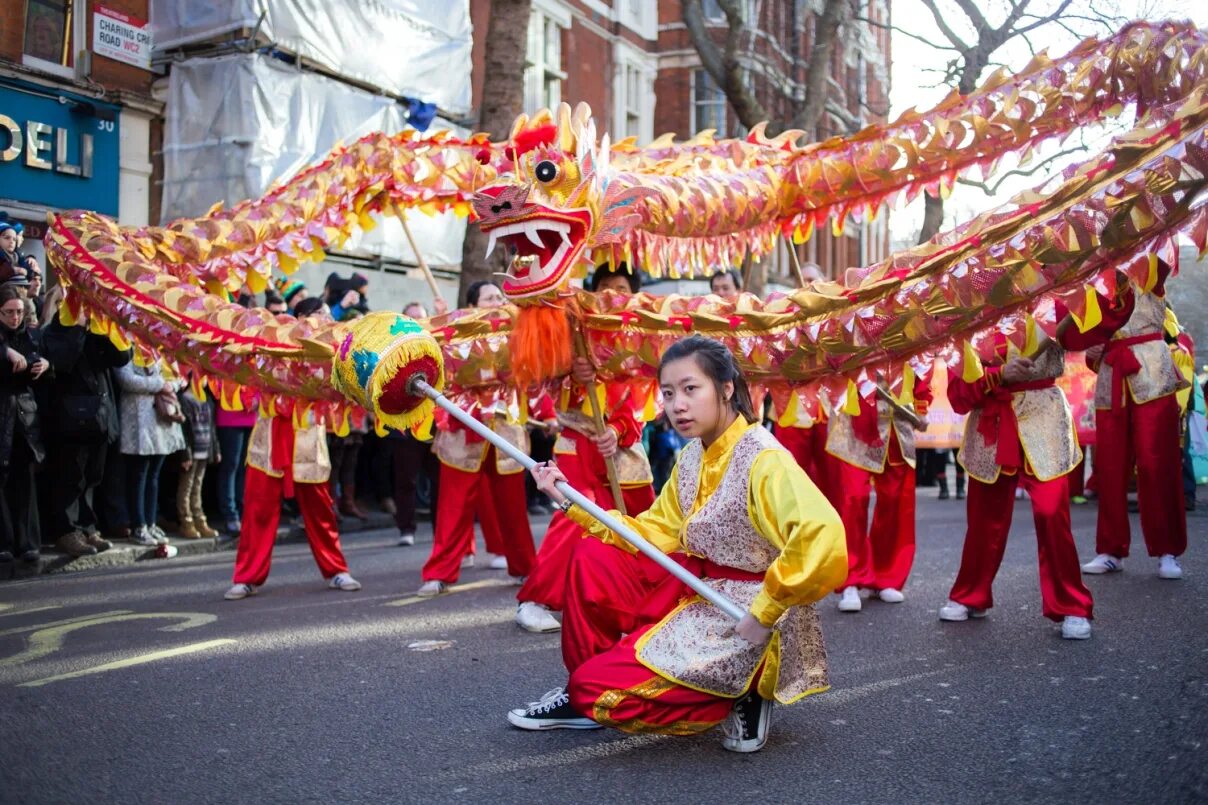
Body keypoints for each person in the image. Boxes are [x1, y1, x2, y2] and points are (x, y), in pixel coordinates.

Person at [507, 336, 846, 753]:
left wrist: (766, 610)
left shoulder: (764, 458)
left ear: (725, 388)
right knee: (594, 554)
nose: (677, 405)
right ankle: (588, 693)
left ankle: (743, 690)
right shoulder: (691, 457)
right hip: (696, 592)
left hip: (748, 611)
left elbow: (822, 536)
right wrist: (567, 499)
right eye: (668, 394)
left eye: (690, 389)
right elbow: (649, 532)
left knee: (595, 691)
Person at [514, 263, 657, 633]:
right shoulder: (571, 326)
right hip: (577, 441)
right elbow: (541, 379)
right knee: (575, 511)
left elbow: (642, 396)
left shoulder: (641, 331)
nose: (612, 294)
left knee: (642, 519)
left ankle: (644, 596)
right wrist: (570, 374)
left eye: (621, 287)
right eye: (605, 287)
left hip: (621, 445)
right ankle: (537, 598)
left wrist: (619, 429)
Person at [939, 335, 1095, 640]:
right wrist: (998, 375)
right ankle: (971, 594)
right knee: (984, 519)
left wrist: (1108, 295)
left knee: (1052, 513)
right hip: (992, 424)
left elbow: (1086, 332)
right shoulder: (974, 320)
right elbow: (959, 396)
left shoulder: (1053, 305)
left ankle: (1072, 604)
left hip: (1044, 420)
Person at [417, 280, 547, 595]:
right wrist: (444, 322)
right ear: (473, 306)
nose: (497, 301)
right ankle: (440, 573)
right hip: (465, 424)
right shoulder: (454, 334)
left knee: (513, 506)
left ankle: (524, 568)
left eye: (500, 296)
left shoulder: (518, 331)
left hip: (504, 424)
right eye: (489, 298)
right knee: (453, 505)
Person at [1073, 260, 1188, 579]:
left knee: (1156, 464)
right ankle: (1111, 549)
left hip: (1151, 371)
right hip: (1112, 376)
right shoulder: (1096, 281)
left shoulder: (1150, 265)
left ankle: (1168, 551)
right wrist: (1091, 350)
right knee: (1110, 466)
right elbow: (1089, 331)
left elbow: (1162, 241)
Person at [224, 403, 361, 599]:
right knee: (258, 509)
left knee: (320, 509)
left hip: (308, 433)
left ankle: (336, 569)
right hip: (269, 435)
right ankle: (247, 577)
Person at [825, 368, 931, 612]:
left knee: (894, 501)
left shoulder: (909, 331)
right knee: (854, 498)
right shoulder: (846, 329)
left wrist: (920, 408)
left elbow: (921, 371)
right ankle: (850, 577)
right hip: (855, 424)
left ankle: (885, 576)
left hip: (896, 426)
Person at [41, 285, 131, 557]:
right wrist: (77, 329)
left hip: (99, 417)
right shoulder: (56, 331)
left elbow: (121, 358)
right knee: (71, 476)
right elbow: (63, 361)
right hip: (70, 419)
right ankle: (66, 531)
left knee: (93, 475)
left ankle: (87, 526)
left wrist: (110, 329)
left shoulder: (95, 329)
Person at [0, 286, 49, 564]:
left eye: (19, 311)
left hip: (24, 417)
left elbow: (40, 364)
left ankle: (28, 542)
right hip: (2, 413)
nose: (15, 317)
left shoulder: (30, 336)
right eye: (9, 312)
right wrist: (5, 352)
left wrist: (44, 363)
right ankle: (4, 543)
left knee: (24, 480)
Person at [115, 359, 187, 546]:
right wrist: (159, 384)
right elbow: (125, 378)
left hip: (161, 418)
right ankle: (138, 525)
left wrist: (170, 384)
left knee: (154, 474)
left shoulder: (159, 347)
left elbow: (178, 376)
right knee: (138, 474)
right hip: (139, 419)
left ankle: (151, 521)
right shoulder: (127, 345)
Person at [176, 382, 220, 539]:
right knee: (186, 487)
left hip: (204, 449)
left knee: (197, 487)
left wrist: (215, 449)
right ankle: (186, 522)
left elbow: (212, 425)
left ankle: (200, 520)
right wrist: (186, 453)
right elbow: (183, 430)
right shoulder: (184, 398)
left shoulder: (206, 398)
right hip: (192, 451)